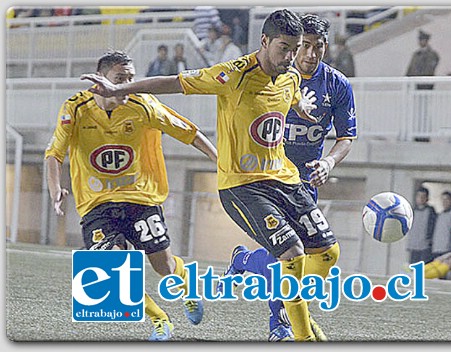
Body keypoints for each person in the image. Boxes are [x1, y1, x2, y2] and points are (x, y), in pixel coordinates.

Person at [81, 9, 337, 342]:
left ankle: (265, 279)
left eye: (296, 49)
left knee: (328, 253)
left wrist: (299, 106)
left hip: (284, 179)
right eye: (284, 48)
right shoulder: (233, 75)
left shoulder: (290, 77)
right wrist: (120, 89)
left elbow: (288, 94)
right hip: (244, 185)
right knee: (292, 255)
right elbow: (173, 82)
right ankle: (303, 336)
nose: (291, 57)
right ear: (264, 41)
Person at [48, 50, 217, 341]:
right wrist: (55, 190)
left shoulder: (143, 103)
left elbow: (188, 132)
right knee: (113, 269)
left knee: (163, 266)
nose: (127, 84)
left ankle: (186, 284)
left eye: (131, 78)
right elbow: (54, 154)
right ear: (101, 79)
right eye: (120, 78)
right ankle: (160, 321)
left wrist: (219, 161)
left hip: (141, 197)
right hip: (97, 203)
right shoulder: (75, 107)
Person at [216, 13, 357, 342]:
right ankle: (280, 325)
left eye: (318, 47)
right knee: (290, 256)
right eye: (304, 46)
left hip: (303, 184)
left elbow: (346, 136)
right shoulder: (276, 72)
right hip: (265, 181)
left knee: (304, 257)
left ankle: (244, 260)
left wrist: (330, 163)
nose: (310, 54)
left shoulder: (337, 85)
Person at [430, 191, 451, 279]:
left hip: (448, 249)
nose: (444, 202)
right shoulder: (440, 215)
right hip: (437, 248)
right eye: (442, 200)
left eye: (447, 200)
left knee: (446, 274)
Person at [405, 186, 436, 265]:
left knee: (424, 270)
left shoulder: (431, 211)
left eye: (423, 197)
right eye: (419, 196)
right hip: (413, 246)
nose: (421, 199)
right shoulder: (412, 211)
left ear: (427, 198)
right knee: (412, 269)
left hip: (425, 247)